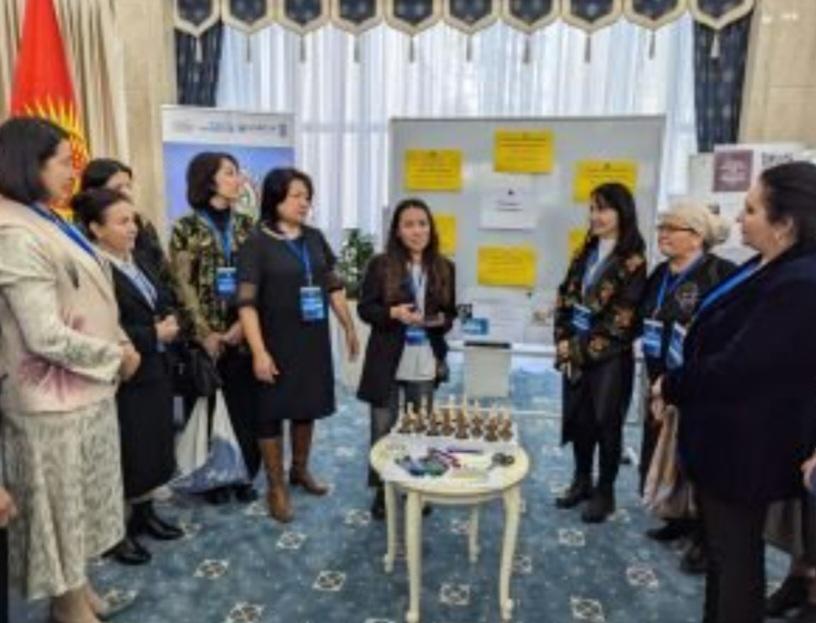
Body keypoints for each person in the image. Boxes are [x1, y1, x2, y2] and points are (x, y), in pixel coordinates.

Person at [652, 162, 816, 623]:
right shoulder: (768, 265)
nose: (738, 218)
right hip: (724, 436)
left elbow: (740, 367)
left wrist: (671, 384)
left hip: (745, 447)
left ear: (785, 224)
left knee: (736, 560)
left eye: (751, 209)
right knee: (724, 558)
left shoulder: (801, 282)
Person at [0, 117, 141, 623]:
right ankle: (68, 605)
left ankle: (77, 592)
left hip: (82, 393)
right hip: (50, 404)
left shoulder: (46, 217)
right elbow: (42, 334)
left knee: (78, 510)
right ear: (29, 164)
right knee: (60, 516)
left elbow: (91, 298)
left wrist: (120, 341)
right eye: (63, 162)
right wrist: (114, 357)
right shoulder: (13, 230)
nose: (72, 172)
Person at [238, 167, 359, 522]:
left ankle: (300, 470)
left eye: (307, 197)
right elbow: (246, 304)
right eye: (296, 196)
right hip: (274, 340)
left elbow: (332, 284)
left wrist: (348, 326)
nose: (304, 203)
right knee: (271, 411)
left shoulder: (314, 237)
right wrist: (259, 352)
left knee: (307, 404)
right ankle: (276, 486)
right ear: (275, 198)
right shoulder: (256, 242)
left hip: (311, 339)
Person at [73, 188, 183, 566]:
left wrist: (169, 320)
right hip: (125, 374)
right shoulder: (93, 269)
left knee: (151, 446)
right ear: (95, 228)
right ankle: (114, 533)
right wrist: (153, 334)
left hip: (156, 368)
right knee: (126, 451)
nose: (132, 228)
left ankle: (144, 514)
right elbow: (99, 328)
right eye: (122, 222)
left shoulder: (137, 259)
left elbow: (162, 297)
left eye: (132, 219)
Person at [638, 200, 734, 573]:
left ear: (696, 237)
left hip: (697, 386)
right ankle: (676, 518)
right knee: (664, 453)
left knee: (696, 460)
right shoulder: (661, 273)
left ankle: (705, 540)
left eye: (671, 228)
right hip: (659, 378)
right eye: (661, 227)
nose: (662, 234)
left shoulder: (722, 274)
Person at [357, 198, 456, 519]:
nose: (417, 231)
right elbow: (365, 309)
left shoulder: (445, 267)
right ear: (398, 231)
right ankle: (383, 491)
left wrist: (436, 321)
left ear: (431, 228)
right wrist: (393, 313)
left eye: (422, 223)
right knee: (383, 428)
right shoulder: (381, 265)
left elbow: (450, 314)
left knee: (420, 428)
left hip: (425, 356)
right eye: (409, 224)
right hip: (387, 357)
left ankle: (417, 487)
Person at [553, 183, 646, 523]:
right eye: (592, 208)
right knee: (580, 420)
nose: (595, 216)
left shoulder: (633, 261)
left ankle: (605, 493)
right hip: (576, 349)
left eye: (603, 209)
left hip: (609, 358)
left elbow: (623, 320)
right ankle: (581, 482)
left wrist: (575, 349)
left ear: (623, 213)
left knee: (606, 425)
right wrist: (562, 338)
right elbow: (565, 295)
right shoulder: (585, 250)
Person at [169, 152, 259, 504]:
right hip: (202, 339)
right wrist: (204, 332)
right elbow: (181, 285)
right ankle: (213, 479)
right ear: (209, 180)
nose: (239, 179)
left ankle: (242, 475)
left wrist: (241, 325)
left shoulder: (248, 226)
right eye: (230, 173)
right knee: (205, 406)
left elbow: (258, 280)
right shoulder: (185, 228)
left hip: (243, 332)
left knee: (243, 407)